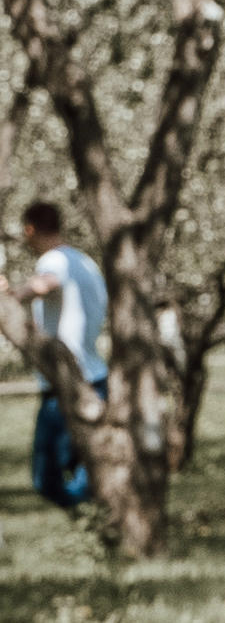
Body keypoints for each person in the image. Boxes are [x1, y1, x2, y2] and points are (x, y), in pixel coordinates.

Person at [15, 199, 107, 511]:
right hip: (96, 376)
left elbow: (45, 283)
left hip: (66, 384)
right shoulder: (85, 262)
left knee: (46, 477)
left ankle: (92, 520)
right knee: (87, 465)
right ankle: (97, 517)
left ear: (30, 229)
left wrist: (12, 294)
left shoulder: (55, 260)